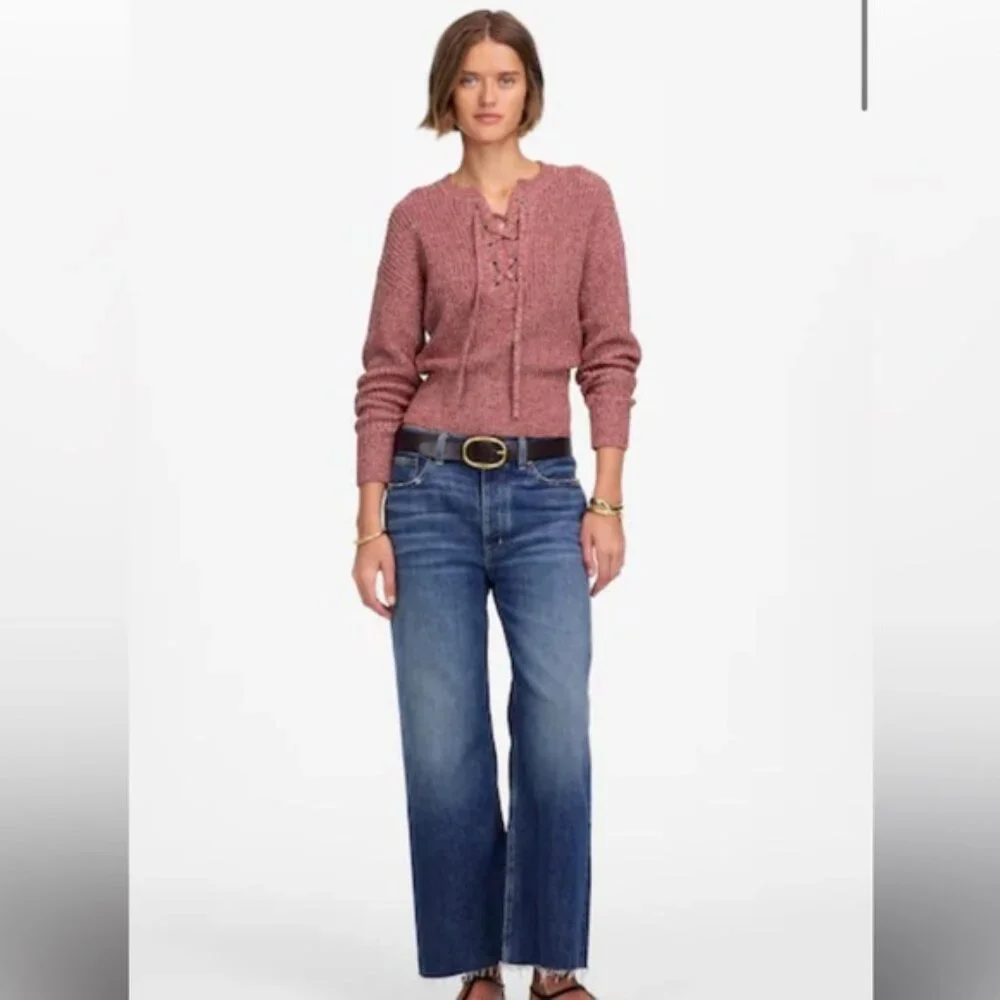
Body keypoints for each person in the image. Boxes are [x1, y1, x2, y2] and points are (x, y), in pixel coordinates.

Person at [351, 10, 641, 1000]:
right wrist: (370, 522)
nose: (487, 95)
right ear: (448, 91)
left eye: (505, 78)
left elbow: (610, 355)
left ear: (530, 91)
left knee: (556, 722)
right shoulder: (416, 218)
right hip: (425, 493)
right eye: (470, 78)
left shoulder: (584, 200)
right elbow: (385, 373)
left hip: (545, 491)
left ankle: (554, 965)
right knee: (445, 739)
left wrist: (607, 499)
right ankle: (477, 961)